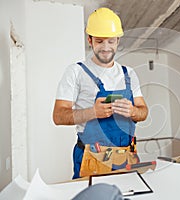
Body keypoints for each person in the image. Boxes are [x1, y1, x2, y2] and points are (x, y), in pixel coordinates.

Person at [52, 7, 148, 179]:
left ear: (118, 40)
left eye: (111, 41)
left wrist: (133, 111)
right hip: (92, 159)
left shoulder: (129, 74)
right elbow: (58, 116)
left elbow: (143, 111)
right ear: (90, 40)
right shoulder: (76, 72)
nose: (106, 48)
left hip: (127, 158)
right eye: (99, 41)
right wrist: (92, 112)